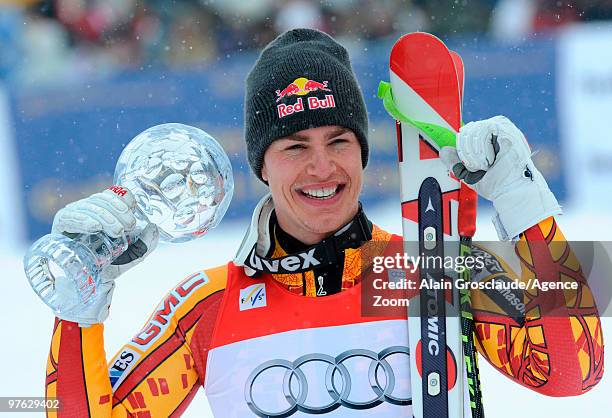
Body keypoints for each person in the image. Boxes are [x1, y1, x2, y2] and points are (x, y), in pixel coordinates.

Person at [44, 29, 603, 417]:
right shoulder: (208, 305)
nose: (322, 167)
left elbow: (573, 373)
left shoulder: (433, 264)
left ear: (363, 153)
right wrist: (79, 306)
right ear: (261, 164)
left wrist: (525, 205)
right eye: (294, 146)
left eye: (339, 141)